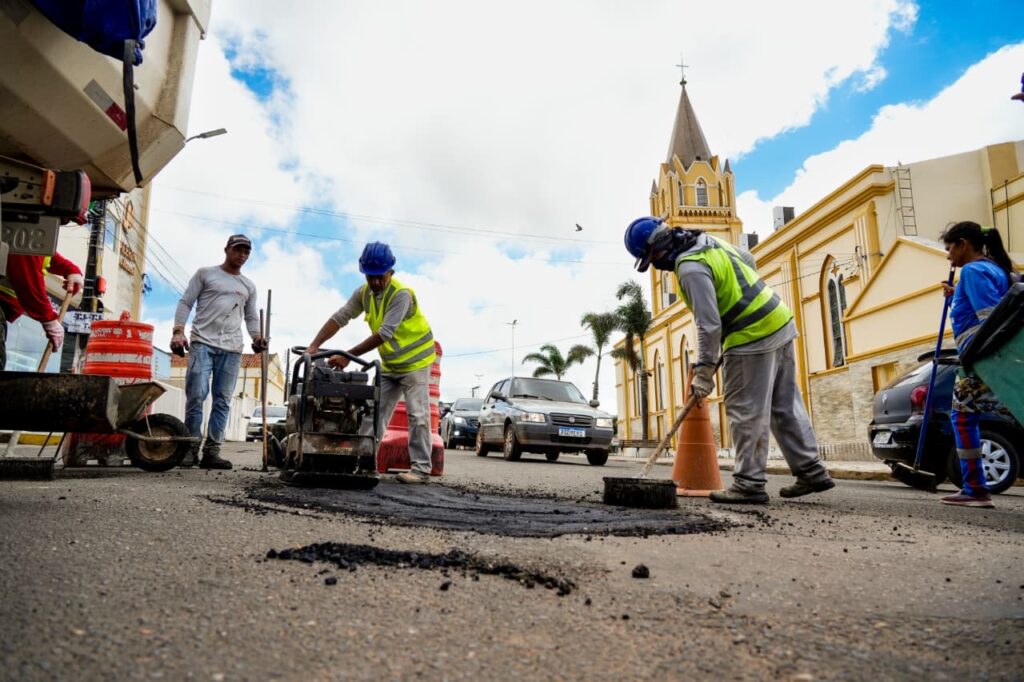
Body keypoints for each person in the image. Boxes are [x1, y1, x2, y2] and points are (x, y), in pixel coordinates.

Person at [624, 217, 834, 504]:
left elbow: (708, 324)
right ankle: (812, 471)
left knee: (745, 409)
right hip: (779, 320)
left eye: (652, 259)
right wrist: (745, 295)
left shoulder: (689, 267)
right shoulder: (706, 241)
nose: (657, 266)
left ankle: (749, 483)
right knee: (783, 404)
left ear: (658, 250)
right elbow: (747, 258)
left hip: (751, 334)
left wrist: (704, 371)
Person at [306, 241, 436, 484]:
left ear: (391, 272)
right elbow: (340, 317)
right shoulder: (363, 293)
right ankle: (363, 463)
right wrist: (314, 346)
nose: (375, 282)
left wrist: (348, 355)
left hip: (416, 364)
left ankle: (421, 470)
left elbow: (385, 333)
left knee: (417, 415)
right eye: (370, 276)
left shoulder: (401, 295)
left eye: (380, 276)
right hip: (390, 365)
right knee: (373, 414)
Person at [938, 221, 1015, 508]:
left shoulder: (972, 271)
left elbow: (990, 317)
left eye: (949, 249)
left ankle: (975, 489)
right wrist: (954, 296)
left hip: (982, 360)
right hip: (991, 359)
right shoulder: (994, 268)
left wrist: (977, 359)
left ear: (963, 244)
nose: (948, 257)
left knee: (962, 417)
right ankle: (974, 487)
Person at [172, 234, 266, 469]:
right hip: (202, 342)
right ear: (227, 250)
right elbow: (185, 302)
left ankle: (212, 452)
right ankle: (190, 449)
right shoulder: (206, 273)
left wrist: (257, 337)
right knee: (197, 394)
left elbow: (251, 316)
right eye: (238, 250)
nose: (242, 255)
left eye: (246, 252)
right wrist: (178, 331)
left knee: (223, 400)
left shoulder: (248, 286)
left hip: (232, 348)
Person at [0, 251, 83, 370]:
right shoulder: (28, 235)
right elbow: (26, 266)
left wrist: (69, 268)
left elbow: (41, 252)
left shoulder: (42, 236)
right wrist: (48, 318)